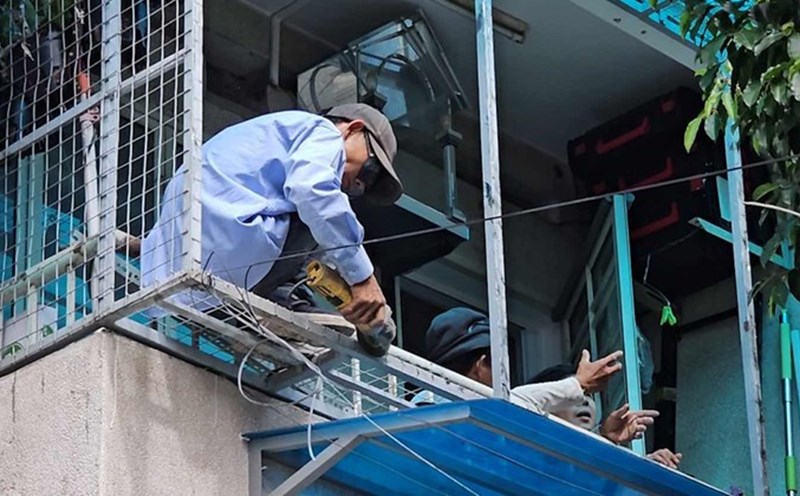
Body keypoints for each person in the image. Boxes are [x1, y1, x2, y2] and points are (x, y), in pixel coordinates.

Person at [139, 104, 403, 354]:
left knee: (325, 217)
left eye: (362, 187)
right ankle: (284, 300)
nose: (356, 184)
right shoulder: (323, 132)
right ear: (353, 128)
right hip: (227, 243)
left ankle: (261, 319)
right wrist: (363, 280)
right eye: (369, 171)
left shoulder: (277, 132)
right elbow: (312, 193)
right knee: (322, 205)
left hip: (186, 269)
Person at [415, 307, 655, 444]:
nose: (504, 377)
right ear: (483, 363)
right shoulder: (427, 404)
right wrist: (577, 385)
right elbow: (513, 404)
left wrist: (604, 438)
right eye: (499, 365)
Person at [530, 364, 683, 469]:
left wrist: (649, 466)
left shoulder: (599, 458)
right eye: (574, 396)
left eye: (589, 395)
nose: (585, 401)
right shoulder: (531, 448)